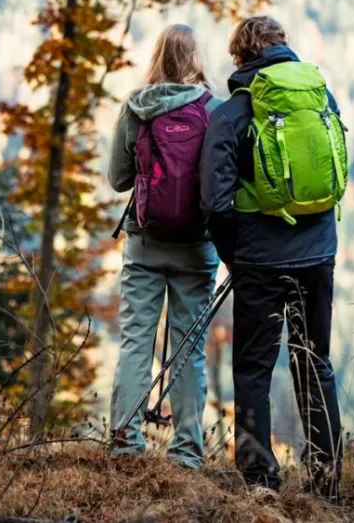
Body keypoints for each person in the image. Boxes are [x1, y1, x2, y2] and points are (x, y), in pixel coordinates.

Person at [199, 16, 344, 501]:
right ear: (284, 48)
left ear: (240, 57)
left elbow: (216, 204)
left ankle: (260, 482)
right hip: (319, 253)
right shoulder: (321, 97)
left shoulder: (232, 114)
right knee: (313, 361)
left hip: (260, 259)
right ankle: (325, 478)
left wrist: (233, 257)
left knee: (254, 368)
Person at [107, 23, 222, 470]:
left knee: (137, 340)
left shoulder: (137, 107)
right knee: (189, 347)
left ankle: (124, 441)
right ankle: (188, 450)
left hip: (144, 244)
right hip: (198, 248)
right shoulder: (214, 110)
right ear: (195, 60)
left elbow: (118, 179)